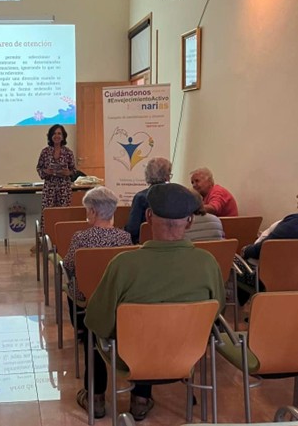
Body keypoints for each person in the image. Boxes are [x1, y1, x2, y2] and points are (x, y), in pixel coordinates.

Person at [79, 183, 225, 420]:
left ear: (147, 216)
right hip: (186, 355)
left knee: (91, 330)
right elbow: (216, 310)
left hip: (132, 358)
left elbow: (98, 320)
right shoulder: (208, 263)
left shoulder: (123, 264)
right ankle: (141, 399)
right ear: (189, 221)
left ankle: (95, 398)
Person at [62, 186, 132, 338]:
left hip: (88, 292)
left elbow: (68, 265)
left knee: (69, 286)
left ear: (93, 211)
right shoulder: (125, 237)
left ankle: (81, 328)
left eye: (87, 209)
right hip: (115, 291)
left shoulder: (80, 237)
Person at [125, 157, 172, 243]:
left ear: (147, 175)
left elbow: (133, 229)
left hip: (145, 244)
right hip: (173, 244)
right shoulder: (176, 195)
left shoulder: (140, 197)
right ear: (167, 176)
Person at [36, 124, 77, 219]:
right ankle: (47, 233)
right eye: (54, 133)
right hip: (49, 188)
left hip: (64, 188)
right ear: (50, 136)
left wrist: (68, 173)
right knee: (48, 215)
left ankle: (62, 233)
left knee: (63, 214)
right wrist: (46, 171)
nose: (57, 136)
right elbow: (39, 168)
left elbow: (74, 170)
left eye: (59, 133)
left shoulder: (68, 152)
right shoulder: (45, 152)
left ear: (63, 136)